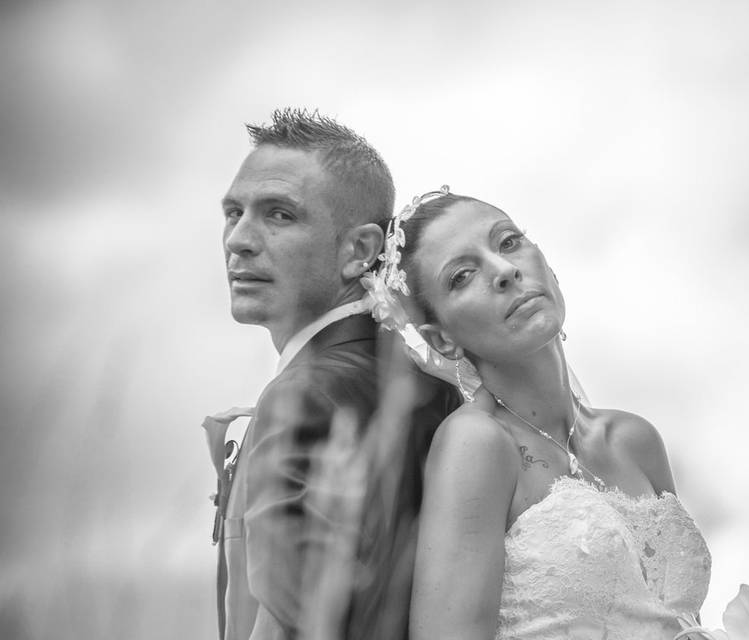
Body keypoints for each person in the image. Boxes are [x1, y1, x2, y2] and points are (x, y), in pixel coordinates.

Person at [363, 188, 712, 639]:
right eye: (463, 275)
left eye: (508, 242)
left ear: (550, 267)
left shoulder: (635, 439)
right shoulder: (478, 443)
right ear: (442, 340)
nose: (505, 270)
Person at [204, 110, 459, 640]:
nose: (239, 240)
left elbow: (309, 625)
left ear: (359, 251)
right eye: (234, 213)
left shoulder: (308, 393)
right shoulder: (425, 384)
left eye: (278, 215)